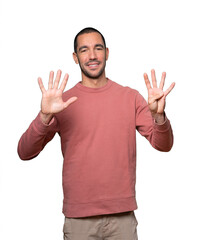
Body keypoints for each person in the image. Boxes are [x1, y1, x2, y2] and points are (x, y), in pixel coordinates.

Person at [17, 27, 175, 240]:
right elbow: (24, 152)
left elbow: (163, 145)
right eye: (84, 50)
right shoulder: (62, 102)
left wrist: (159, 116)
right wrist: (44, 117)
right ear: (75, 57)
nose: (92, 55)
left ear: (107, 53)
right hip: (79, 219)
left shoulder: (131, 97)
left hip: (123, 219)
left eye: (97, 48)